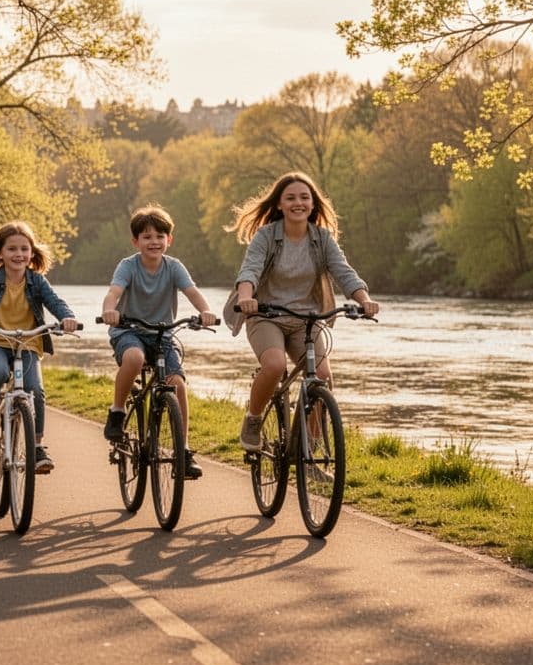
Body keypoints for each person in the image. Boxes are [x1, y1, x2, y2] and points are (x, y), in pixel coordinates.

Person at [223, 171, 380, 452]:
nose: (299, 203)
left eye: (304, 198)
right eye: (291, 198)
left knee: (322, 377)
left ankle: (308, 449)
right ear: (280, 204)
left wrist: (364, 299)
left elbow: (343, 272)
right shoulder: (267, 236)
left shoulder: (322, 238)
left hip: (307, 319)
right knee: (274, 365)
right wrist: (246, 297)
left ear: (313, 204)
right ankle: (254, 418)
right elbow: (250, 270)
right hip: (266, 316)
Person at [100, 205, 217, 479]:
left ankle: (183, 451)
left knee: (177, 384)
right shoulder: (128, 266)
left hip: (163, 333)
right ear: (136, 242)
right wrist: (110, 310)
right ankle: (117, 411)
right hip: (128, 331)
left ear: (169, 240)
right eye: (147, 236)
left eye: (160, 236)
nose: (154, 241)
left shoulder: (174, 267)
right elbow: (114, 292)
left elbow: (193, 292)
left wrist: (205, 312)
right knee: (135, 358)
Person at [0, 221, 79, 474]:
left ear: (32, 253)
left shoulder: (37, 281)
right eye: (12, 249)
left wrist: (68, 318)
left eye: (25, 249)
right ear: (0, 253)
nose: (19, 254)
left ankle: (37, 446)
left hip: (28, 342)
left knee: (35, 389)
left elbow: (56, 302)